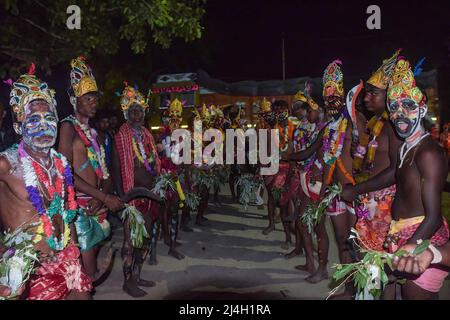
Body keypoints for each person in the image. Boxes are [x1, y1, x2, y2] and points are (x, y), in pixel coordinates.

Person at [0, 65, 92, 299]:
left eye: (49, 117)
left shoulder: (60, 164)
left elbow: (65, 211)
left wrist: (76, 251)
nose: (44, 126)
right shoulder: (6, 165)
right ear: (18, 126)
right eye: (33, 119)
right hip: (30, 272)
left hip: (67, 257)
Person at [284, 60, 366, 297]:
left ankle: (361, 290)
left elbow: (365, 158)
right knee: (342, 240)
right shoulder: (328, 126)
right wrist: (288, 156)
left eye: (334, 98)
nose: (330, 104)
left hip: (354, 192)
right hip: (334, 193)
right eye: (326, 99)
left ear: (342, 96)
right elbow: (310, 151)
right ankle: (349, 288)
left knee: (356, 243)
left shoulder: (355, 121)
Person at [381, 57, 449, 300]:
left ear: (421, 110)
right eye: (394, 108)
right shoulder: (405, 147)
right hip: (407, 234)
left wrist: (410, 247)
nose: (399, 113)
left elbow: (432, 216)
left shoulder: (428, 152)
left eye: (407, 106)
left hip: (423, 239)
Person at [58, 56, 123, 279]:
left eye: (95, 98)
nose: (94, 103)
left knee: (89, 274)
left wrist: (103, 194)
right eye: (88, 98)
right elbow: (66, 174)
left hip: (96, 204)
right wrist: (102, 197)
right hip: (80, 208)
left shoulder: (94, 133)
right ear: (74, 100)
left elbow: (105, 174)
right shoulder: (67, 127)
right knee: (86, 275)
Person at [341, 50, 402, 252]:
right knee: (366, 258)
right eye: (366, 93)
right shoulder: (375, 123)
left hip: (386, 206)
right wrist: (358, 150)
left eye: (373, 93)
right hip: (369, 199)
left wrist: (357, 189)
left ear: (389, 96)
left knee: (382, 263)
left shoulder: (394, 126)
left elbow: (396, 170)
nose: (366, 99)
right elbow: (372, 161)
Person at [113, 83, 161, 297]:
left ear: (144, 112)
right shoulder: (121, 136)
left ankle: (137, 275)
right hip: (131, 197)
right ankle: (127, 282)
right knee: (130, 242)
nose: (136, 114)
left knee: (145, 238)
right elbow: (116, 168)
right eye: (132, 110)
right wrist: (121, 197)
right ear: (126, 113)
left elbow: (153, 163)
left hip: (149, 196)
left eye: (139, 110)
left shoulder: (147, 135)